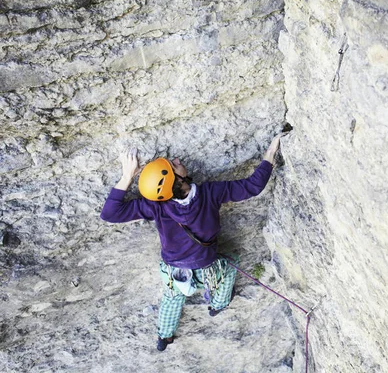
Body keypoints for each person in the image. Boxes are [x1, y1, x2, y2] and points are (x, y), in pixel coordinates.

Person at [100, 134, 282, 351]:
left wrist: (127, 176)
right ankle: (217, 305)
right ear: (178, 181)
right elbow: (252, 186)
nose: (177, 160)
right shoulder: (210, 193)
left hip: (174, 269)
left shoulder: (155, 206)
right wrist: (271, 152)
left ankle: (164, 337)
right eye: (173, 165)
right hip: (207, 264)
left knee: (172, 296)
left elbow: (110, 214)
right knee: (230, 264)